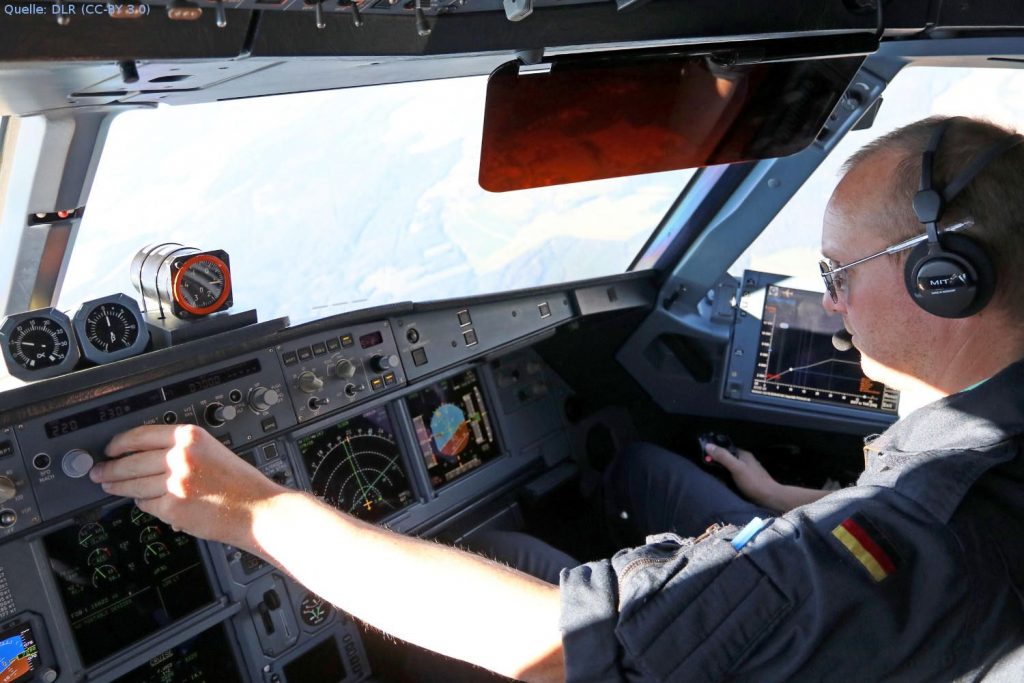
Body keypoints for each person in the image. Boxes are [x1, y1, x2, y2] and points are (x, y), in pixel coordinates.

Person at [89, 115, 1024, 682]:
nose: (829, 302)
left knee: (500, 555)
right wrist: (784, 498)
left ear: (949, 281)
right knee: (644, 471)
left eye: (839, 271)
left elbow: (556, 642)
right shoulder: (973, 457)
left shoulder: (927, 534)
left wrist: (255, 509)